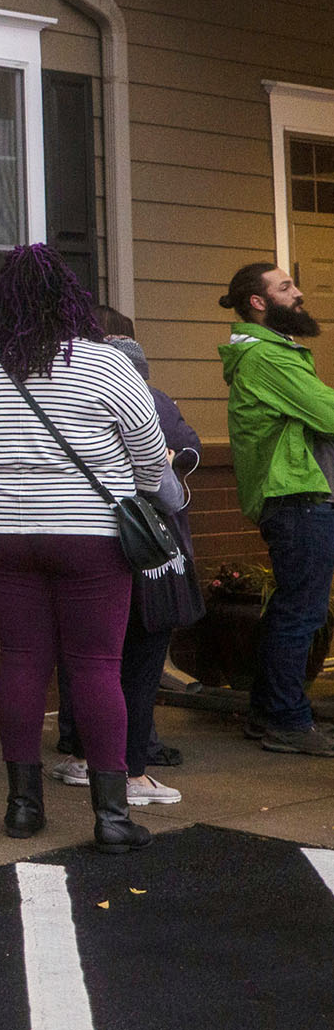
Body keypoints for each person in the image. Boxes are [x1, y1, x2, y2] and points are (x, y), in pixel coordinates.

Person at [0, 244, 160, 854]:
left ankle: (21, 807)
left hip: (3, 533)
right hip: (90, 535)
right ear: (73, 299)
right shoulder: (105, 363)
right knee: (95, 666)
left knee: (21, 661)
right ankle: (112, 816)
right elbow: (146, 452)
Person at [48, 307, 194, 807]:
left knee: (87, 658)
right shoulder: (145, 397)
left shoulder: (58, 396)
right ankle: (130, 771)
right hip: (138, 547)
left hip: (68, 544)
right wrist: (170, 482)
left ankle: (83, 755)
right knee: (138, 660)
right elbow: (170, 469)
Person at [218, 261, 334, 757]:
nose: (299, 293)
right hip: (298, 499)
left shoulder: (273, 353)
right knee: (301, 611)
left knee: (293, 608)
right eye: (286, 287)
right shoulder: (267, 359)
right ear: (259, 303)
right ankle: (286, 720)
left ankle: (268, 712)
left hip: (299, 497)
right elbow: (329, 413)